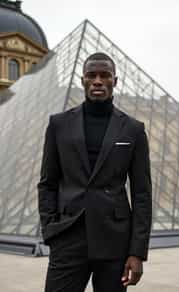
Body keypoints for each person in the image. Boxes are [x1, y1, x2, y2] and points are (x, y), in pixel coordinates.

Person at [38, 52, 152, 292]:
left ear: (115, 81)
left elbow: (142, 193)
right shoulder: (58, 124)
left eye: (104, 75)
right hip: (68, 237)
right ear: (83, 80)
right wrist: (51, 230)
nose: (98, 80)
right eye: (92, 75)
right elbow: (47, 182)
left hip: (115, 241)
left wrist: (137, 252)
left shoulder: (133, 129)